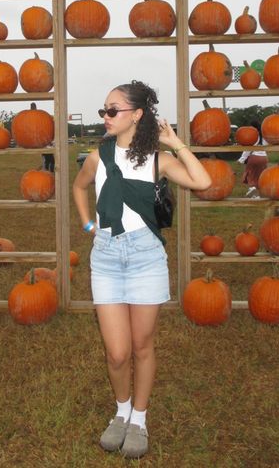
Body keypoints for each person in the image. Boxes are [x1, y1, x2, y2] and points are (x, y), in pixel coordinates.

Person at [72, 80, 211, 459]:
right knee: (117, 352)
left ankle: (139, 419)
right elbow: (79, 187)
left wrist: (176, 143)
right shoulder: (97, 156)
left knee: (141, 345)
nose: (105, 116)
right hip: (106, 258)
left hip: (146, 258)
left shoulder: (157, 160)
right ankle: (121, 411)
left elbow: (203, 181)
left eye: (112, 110)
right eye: (103, 109)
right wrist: (88, 225)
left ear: (136, 114)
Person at [237, 120, 268, 198]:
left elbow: (248, 149)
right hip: (264, 158)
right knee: (259, 175)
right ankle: (257, 195)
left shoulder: (252, 136)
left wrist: (241, 159)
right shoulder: (264, 137)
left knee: (250, 174)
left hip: (254, 157)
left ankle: (252, 189)